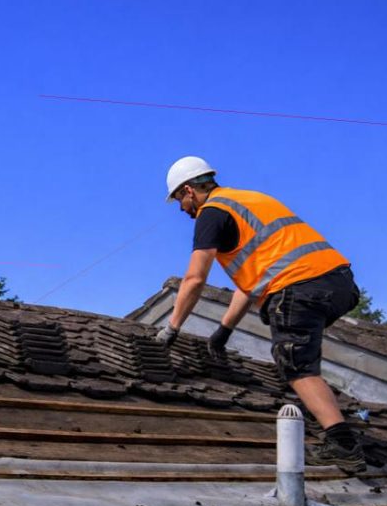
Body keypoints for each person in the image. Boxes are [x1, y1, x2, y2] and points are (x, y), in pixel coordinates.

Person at [155, 156, 365, 473]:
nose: (182, 210)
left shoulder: (212, 212)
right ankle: (323, 407)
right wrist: (224, 330)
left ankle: (342, 444)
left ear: (188, 190)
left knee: (295, 362)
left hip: (299, 286)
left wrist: (171, 328)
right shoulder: (248, 199)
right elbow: (253, 282)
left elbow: (195, 279)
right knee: (302, 348)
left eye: (179, 201)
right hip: (338, 283)